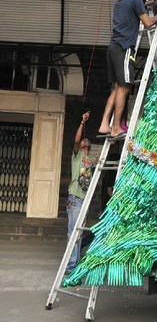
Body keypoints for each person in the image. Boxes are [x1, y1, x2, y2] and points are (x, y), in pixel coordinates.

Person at [98, 0, 157, 138]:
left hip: (113, 47)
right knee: (124, 87)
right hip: (124, 48)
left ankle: (104, 124)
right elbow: (147, 23)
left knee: (117, 87)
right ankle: (116, 127)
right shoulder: (135, 0)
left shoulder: (119, 2)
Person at [66, 110, 95, 273]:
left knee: (78, 235)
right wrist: (82, 122)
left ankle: (74, 264)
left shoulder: (90, 160)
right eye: (84, 139)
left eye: (87, 139)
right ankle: (70, 267)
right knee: (73, 233)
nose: (85, 139)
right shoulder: (76, 157)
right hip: (76, 197)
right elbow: (76, 140)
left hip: (85, 199)